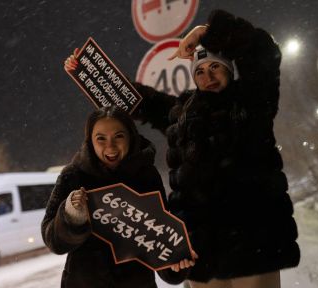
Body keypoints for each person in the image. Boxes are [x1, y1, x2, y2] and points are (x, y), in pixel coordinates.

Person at [130, 9, 301, 288]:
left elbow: (262, 51)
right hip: (202, 254)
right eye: (199, 71)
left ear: (229, 70)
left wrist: (207, 32)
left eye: (215, 67)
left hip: (253, 248)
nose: (207, 76)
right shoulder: (182, 114)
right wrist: (88, 71)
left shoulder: (252, 102)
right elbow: (141, 102)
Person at [41, 105, 195, 288]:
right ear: (90, 141)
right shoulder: (73, 176)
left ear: (131, 137)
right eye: (101, 138)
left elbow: (159, 235)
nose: (110, 146)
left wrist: (175, 263)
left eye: (119, 136)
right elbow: (54, 242)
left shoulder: (146, 175)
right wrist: (72, 217)